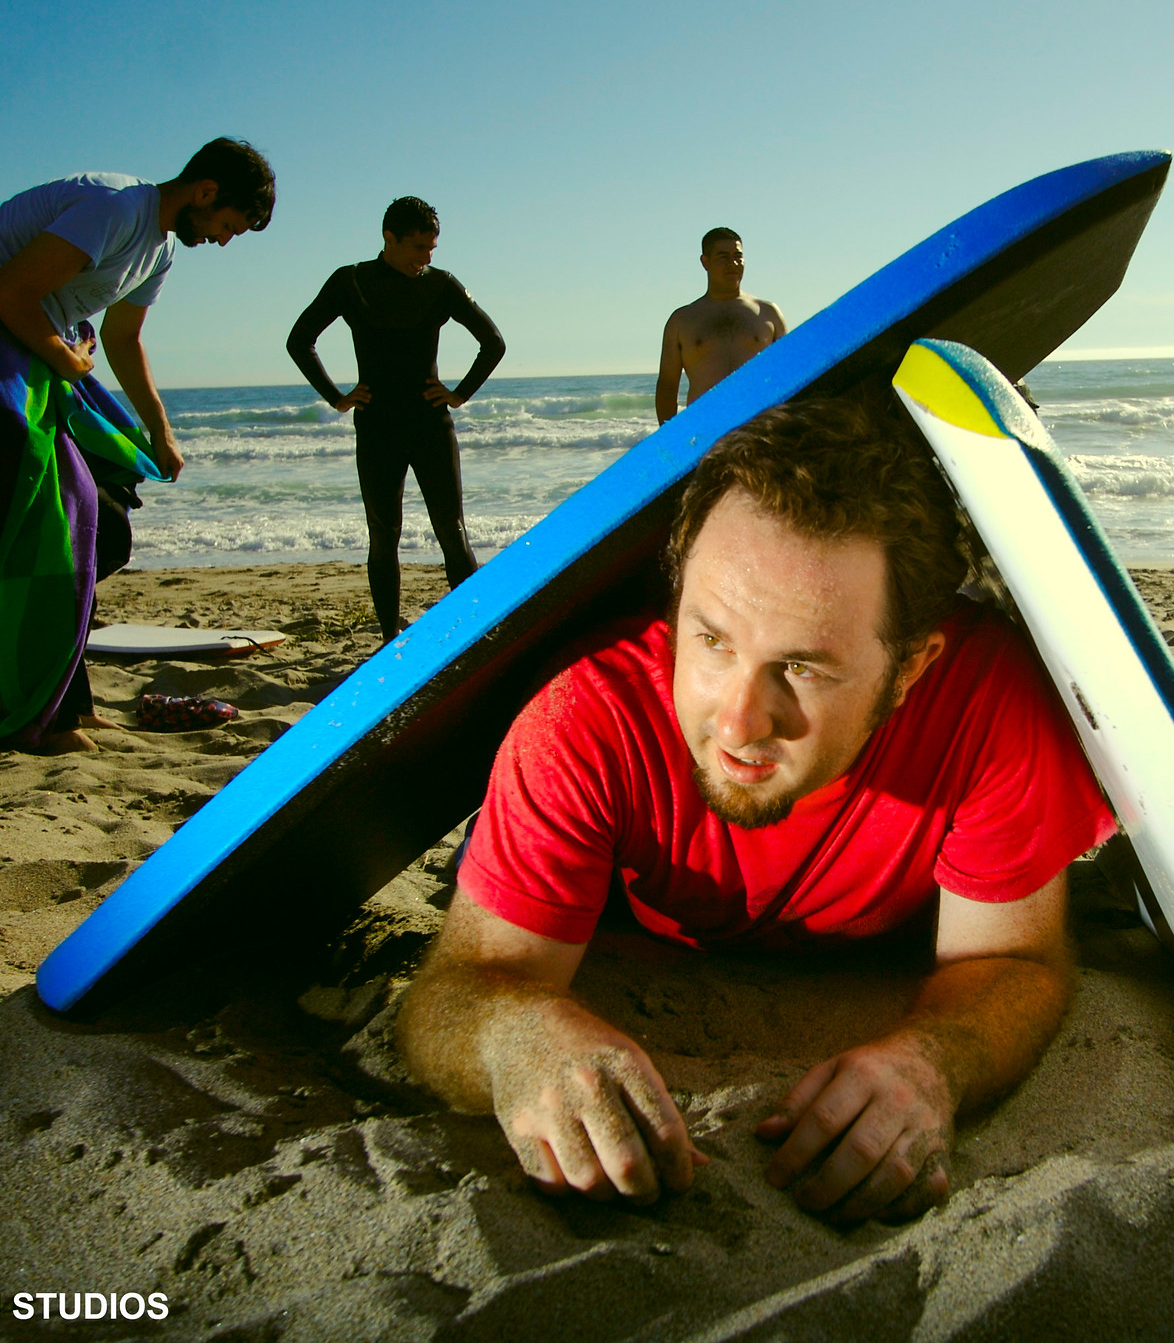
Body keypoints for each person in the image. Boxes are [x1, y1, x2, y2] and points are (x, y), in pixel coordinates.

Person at [396, 396, 1118, 1222]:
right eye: (710, 641)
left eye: (803, 669)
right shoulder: (587, 719)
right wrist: (515, 1039)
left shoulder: (991, 709)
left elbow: (1018, 961)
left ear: (912, 667)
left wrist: (932, 1063)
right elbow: (460, 987)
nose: (738, 722)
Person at [0, 138, 275, 754]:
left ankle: (67, 705)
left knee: (98, 522)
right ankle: (38, 715)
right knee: (23, 527)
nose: (224, 239)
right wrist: (68, 364)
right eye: (228, 226)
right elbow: (6, 291)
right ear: (206, 192)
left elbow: (124, 338)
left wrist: (158, 428)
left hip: (38, 350)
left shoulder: (159, 249)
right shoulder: (116, 208)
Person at [288, 197, 505, 640]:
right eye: (419, 246)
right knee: (383, 535)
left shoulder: (441, 285)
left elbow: (493, 341)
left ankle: (473, 634)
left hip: (430, 425)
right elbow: (300, 340)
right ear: (390, 237)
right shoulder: (350, 281)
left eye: (432, 248)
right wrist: (336, 397)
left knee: (452, 529)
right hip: (376, 426)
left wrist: (459, 394)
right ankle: (389, 636)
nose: (426, 257)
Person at [654, 228, 788, 423]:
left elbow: (787, 373)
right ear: (705, 262)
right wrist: (667, 440)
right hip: (704, 430)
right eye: (723, 257)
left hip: (759, 428)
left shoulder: (768, 313)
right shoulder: (682, 320)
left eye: (738, 256)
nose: (733, 264)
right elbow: (667, 384)